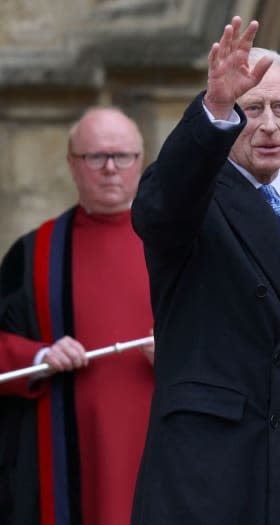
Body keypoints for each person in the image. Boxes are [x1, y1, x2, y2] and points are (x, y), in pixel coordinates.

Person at [129, 16, 280, 525]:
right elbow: (160, 208)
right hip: (214, 469)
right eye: (252, 109)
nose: (269, 125)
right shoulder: (196, 194)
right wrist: (213, 107)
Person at [0, 107, 155, 525]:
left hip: (166, 449)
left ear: (141, 161)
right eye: (95, 157)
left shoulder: (180, 247)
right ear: (72, 164)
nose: (110, 169)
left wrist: (186, 349)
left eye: (122, 156)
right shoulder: (35, 254)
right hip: (67, 458)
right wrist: (39, 355)